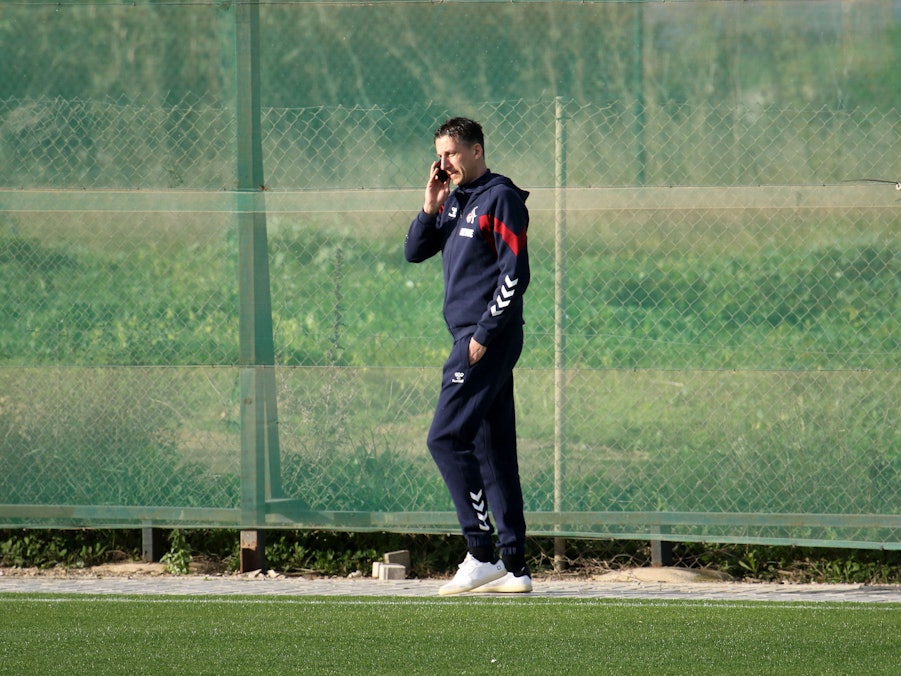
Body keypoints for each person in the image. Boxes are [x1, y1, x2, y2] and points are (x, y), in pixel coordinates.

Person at [404, 117, 532, 595]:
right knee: (491, 448)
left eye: (452, 154)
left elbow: (514, 275)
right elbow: (414, 251)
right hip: (471, 336)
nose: (444, 163)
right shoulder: (453, 200)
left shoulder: (498, 198)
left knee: (444, 437)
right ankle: (515, 567)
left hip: (484, 339)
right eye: (439, 154)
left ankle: (481, 551)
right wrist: (430, 206)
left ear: (476, 151)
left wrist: (483, 334)